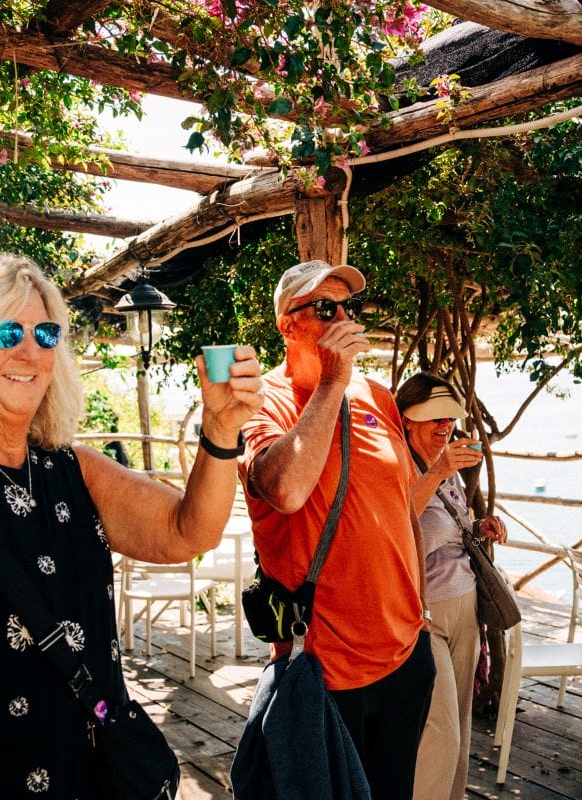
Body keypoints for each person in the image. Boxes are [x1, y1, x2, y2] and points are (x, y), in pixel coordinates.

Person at [0, 252, 264, 799]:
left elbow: (185, 531)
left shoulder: (70, 468)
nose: (30, 351)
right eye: (7, 331)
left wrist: (222, 430)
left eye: (46, 333)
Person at [240, 259, 436, 798]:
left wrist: (420, 614)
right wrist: (331, 383)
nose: (342, 317)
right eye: (325, 308)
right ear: (289, 324)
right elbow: (285, 490)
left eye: (346, 307)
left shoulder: (376, 396)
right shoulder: (263, 402)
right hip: (326, 669)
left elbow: (400, 506)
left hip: (404, 654)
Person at [394, 373, 507, 800]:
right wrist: (439, 468)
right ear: (407, 420)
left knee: (459, 725)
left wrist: (479, 527)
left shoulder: (449, 465)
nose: (445, 425)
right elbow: (395, 530)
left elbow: (449, 527)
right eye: (434, 417)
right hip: (424, 614)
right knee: (440, 731)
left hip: (465, 604)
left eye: (450, 417)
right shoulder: (397, 466)